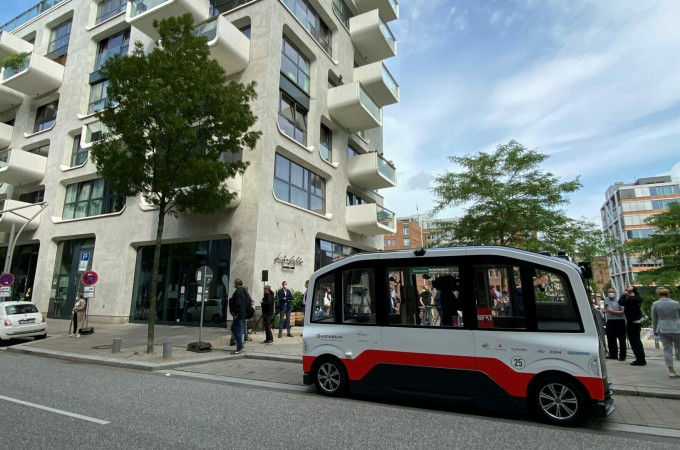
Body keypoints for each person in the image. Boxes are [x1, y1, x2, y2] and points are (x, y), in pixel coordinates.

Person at [651, 287, 680, 378]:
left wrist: (655, 329)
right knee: (679, 347)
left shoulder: (655, 304)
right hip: (676, 327)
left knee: (667, 349)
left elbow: (654, 318)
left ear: (658, 294)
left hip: (662, 328)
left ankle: (671, 371)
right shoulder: (676, 303)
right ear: (668, 294)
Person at [619, 285, 646, 366]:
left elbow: (621, 302)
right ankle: (639, 358)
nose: (628, 287)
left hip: (634, 322)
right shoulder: (632, 298)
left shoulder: (635, 298)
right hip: (632, 321)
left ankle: (640, 359)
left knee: (635, 341)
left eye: (630, 287)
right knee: (635, 341)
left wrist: (624, 295)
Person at [604, 287, 626, 361]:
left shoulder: (619, 300)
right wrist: (605, 310)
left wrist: (611, 311)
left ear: (615, 293)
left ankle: (622, 355)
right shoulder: (606, 299)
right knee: (610, 338)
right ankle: (613, 354)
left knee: (621, 339)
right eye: (609, 292)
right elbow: (605, 308)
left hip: (619, 321)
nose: (611, 293)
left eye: (612, 292)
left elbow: (623, 312)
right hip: (610, 320)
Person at [228, 279, 249, 354]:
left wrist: (235, 312)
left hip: (238, 314)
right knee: (233, 328)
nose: (234, 285)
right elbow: (248, 302)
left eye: (234, 284)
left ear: (237, 284)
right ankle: (240, 345)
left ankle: (239, 347)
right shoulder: (245, 291)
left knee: (238, 331)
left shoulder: (238, 292)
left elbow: (238, 303)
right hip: (243, 314)